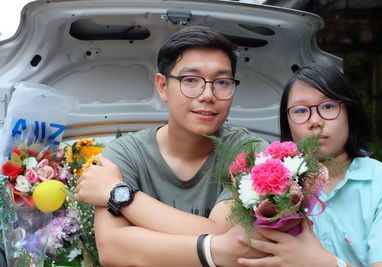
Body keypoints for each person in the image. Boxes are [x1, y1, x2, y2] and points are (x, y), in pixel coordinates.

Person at [75, 26, 269, 266]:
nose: (208, 94)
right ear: (163, 86)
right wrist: (215, 250)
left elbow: (220, 232)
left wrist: (119, 194)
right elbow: (113, 250)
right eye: (190, 80)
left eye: (222, 82)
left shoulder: (250, 152)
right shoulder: (125, 154)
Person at [236, 63, 382, 267]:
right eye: (301, 110)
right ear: (287, 121)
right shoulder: (267, 185)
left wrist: (321, 263)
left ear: (350, 112)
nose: (315, 121)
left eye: (328, 106)